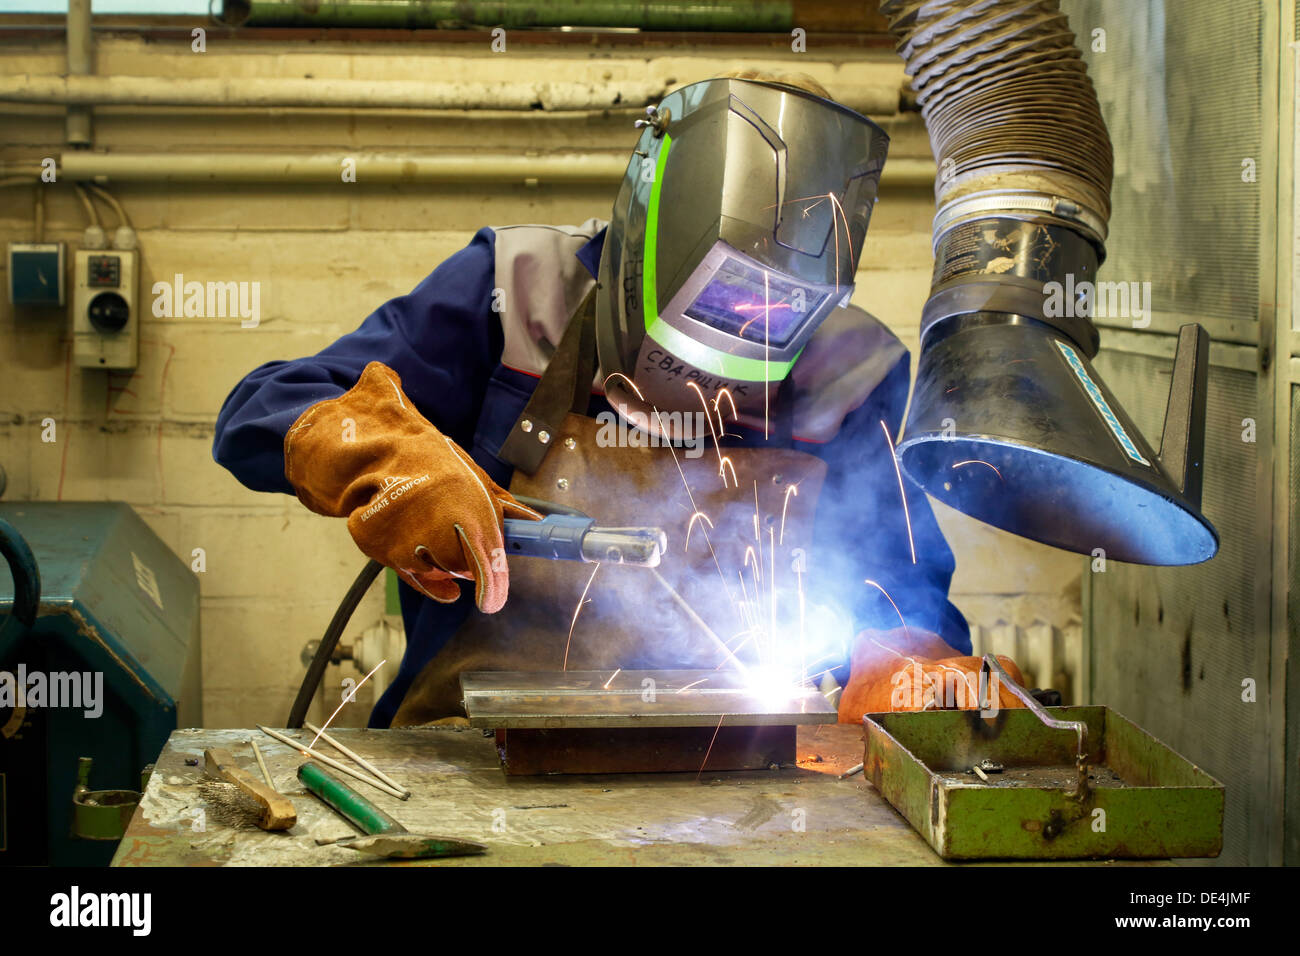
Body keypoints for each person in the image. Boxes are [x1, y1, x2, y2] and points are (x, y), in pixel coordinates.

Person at [213, 72, 1023, 728]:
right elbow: (262, 408)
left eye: (776, 318)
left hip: (740, 776)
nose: (730, 352)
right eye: (712, 303)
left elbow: (901, 585)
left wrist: (917, 661)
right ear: (647, 242)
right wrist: (388, 460)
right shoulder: (512, 294)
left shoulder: (856, 369)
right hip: (472, 758)